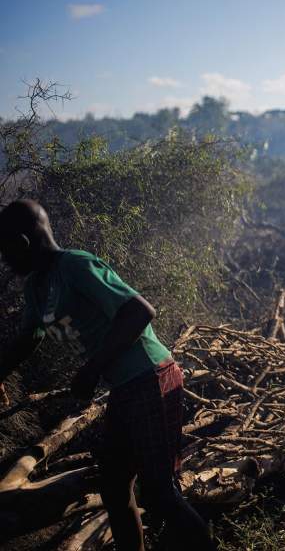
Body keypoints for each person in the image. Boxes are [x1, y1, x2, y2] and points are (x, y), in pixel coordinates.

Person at [0, 200, 215, 551]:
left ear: (23, 243)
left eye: (5, 251)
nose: (5, 261)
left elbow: (139, 311)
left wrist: (92, 369)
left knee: (160, 493)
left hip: (151, 376)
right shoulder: (37, 288)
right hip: (125, 388)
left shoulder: (76, 265)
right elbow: (28, 339)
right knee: (114, 488)